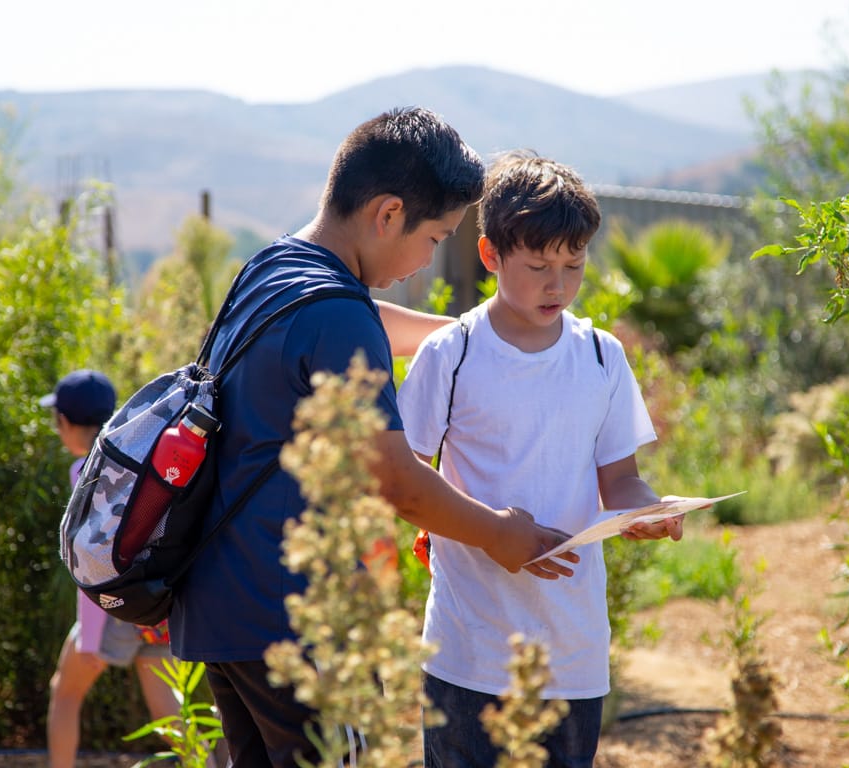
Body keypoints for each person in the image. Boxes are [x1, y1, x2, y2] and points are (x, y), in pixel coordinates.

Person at [166, 107, 577, 768]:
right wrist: (501, 533)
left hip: (222, 609)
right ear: (388, 214)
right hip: (303, 619)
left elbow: (360, 319)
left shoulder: (272, 271)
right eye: (434, 236)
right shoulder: (337, 316)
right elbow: (398, 483)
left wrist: (467, 333)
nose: (425, 261)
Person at [397, 150, 685, 768]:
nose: (558, 284)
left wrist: (648, 512)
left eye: (573, 264)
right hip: (469, 650)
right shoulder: (452, 353)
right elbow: (406, 478)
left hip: (571, 651)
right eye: (538, 265)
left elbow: (622, 481)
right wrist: (489, 529)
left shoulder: (602, 357)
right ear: (491, 256)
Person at [41, 369, 186, 768]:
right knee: (172, 718)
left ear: (65, 423)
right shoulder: (136, 453)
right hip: (154, 605)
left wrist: (90, 639)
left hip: (108, 607)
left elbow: (91, 559)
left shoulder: (83, 471)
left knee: (65, 694)